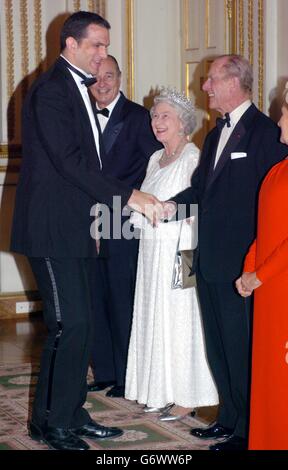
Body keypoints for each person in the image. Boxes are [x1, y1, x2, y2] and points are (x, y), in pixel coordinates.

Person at [10, 11, 160, 451]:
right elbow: (70, 165)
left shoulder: (76, 89)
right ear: (70, 44)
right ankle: (55, 425)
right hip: (50, 229)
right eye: (96, 44)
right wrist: (130, 196)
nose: (103, 54)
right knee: (67, 326)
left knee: (81, 324)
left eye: (106, 45)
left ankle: (66, 414)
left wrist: (94, 220)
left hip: (73, 226)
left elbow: (84, 167)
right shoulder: (54, 91)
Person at [162, 55, 287, 449]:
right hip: (209, 258)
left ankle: (250, 429)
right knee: (219, 345)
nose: (206, 87)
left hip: (245, 265)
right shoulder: (213, 134)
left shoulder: (266, 133)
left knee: (243, 349)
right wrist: (165, 208)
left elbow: (274, 206)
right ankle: (229, 418)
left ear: (235, 82)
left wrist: (258, 266)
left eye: (212, 79)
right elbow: (202, 191)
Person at [124, 88, 219, 419]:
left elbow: (198, 206)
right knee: (155, 313)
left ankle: (185, 396)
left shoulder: (194, 158)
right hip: (152, 253)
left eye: (165, 115)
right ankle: (159, 388)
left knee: (182, 317)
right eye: (154, 115)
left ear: (183, 124)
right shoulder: (154, 158)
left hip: (183, 253)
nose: (156, 121)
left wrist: (187, 262)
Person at [87, 55, 161, 397]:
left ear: (120, 77)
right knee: (94, 297)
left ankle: (126, 374)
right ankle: (104, 369)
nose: (103, 83)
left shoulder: (137, 118)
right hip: (85, 220)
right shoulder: (79, 115)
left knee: (122, 298)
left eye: (109, 76)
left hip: (123, 221)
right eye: (97, 77)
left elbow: (157, 164)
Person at [236, 85, 288, 450]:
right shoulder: (276, 171)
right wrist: (248, 268)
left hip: (282, 289)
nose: (279, 119)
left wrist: (260, 274)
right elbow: (266, 231)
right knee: (268, 379)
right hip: (268, 294)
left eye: (284, 111)